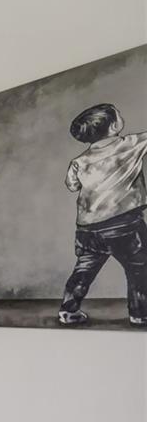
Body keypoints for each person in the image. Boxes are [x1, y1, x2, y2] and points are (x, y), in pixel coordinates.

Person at [59, 103, 147, 326]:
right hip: (125, 225)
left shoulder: (79, 162)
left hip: (88, 229)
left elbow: (71, 185)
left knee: (84, 269)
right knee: (140, 269)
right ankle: (140, 314)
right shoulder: (131, 144)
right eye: (119, 113)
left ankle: (68, 312)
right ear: (114, 125)